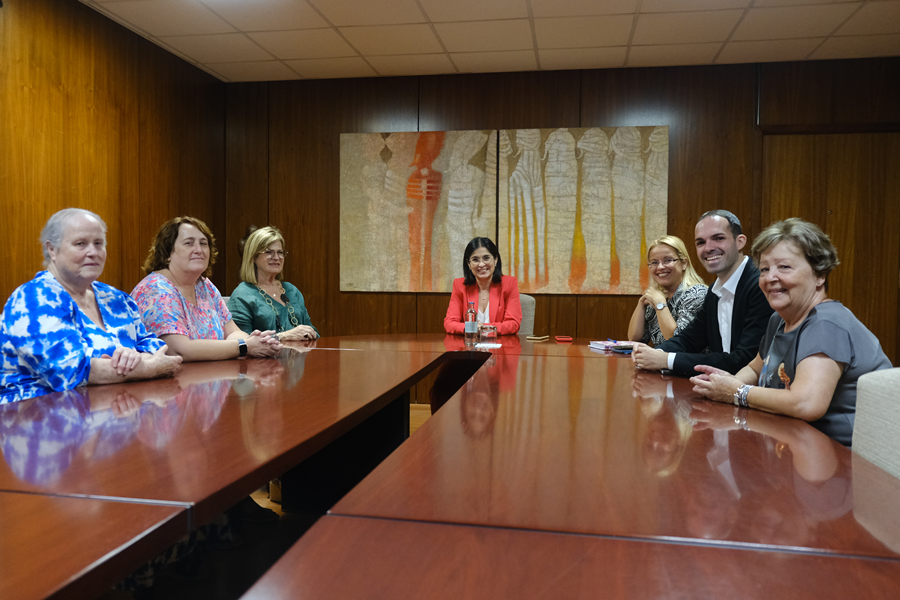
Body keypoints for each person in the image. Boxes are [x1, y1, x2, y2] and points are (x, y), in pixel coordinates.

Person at [690, 218, 891, 446]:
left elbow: (806, 404)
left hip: (844, 460)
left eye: (784, 267)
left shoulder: (826, 323)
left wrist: (737, 391)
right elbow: (755, 368)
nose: (770, 278)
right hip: (793, 443)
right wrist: (724, 384)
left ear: (819, 275)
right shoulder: (779, 319)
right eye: (764, 269)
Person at [0, 209, 181, 403]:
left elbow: (154, 346)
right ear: (52, 249)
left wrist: (135, 356)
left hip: (117, 412)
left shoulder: (116, 298)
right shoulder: (34, 299)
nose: (92, 252)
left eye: (98, 243)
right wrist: (148, 367)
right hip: (38, 418)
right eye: (80, 244)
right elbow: (70, 371)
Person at [632, 210, 773, 376]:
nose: (708, 248)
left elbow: (744, 360)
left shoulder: (761, 285)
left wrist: (666, 360)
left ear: (740, 242)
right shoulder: (715, 290)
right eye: (700, 242)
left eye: (718, 238)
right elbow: (689, 339)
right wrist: (656, 353)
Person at [132, 216, 281, 361]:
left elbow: (232, 332)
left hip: (212, 378)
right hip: (172, 383)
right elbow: (178, 350)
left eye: (204, 243)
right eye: (189, 243)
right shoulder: (155, 289)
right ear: (167, 253)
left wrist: (258, 342)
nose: (199, 249)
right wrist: (244, 346)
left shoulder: (204, 285)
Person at [227, 226, 318, 341]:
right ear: (254, 257)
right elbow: (241, 343)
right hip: (263, 359)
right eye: (269, 252)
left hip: (300, 356)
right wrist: (284, 337)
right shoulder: (242, 295)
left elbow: (311, 330)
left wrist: (310, 333)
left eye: (280, 252)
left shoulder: (292, 290)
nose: (276, 257)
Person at [627, 235, 708, 346]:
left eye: (668, 260)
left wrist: (660, 305)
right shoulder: (658, 295)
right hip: (662, 362)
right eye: (654, 262)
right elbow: (635, 339)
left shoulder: (697, 294)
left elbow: (678, 343)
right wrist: (641, 304)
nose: (660, 267)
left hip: (693, 363)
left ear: (684, 263)